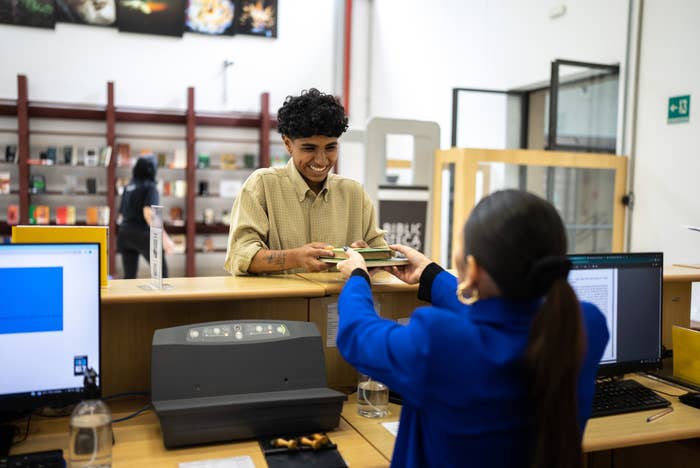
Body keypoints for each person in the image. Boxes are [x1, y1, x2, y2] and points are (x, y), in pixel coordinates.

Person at [335, 189, 610, 468]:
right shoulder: (584, 325)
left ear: (474, 269)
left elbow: (357, 334)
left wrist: (358, 275)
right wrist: (431, 275)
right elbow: (500, 320)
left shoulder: (440, 341)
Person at [224, 88, 387, 275]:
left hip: (340, 303)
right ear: (287, 144)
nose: (321, 160)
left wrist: (367, 255)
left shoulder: (354, 193)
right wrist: (295, 258)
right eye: (309, 148)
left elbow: (382, 255)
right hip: (278, 304)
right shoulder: (262, 185)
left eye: (330, 148)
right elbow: (239, 255)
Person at [117, 157, 173, 279]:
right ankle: (163, 298)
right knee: (161, 274)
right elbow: (149, 214)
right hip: (142, 234)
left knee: (129, 276)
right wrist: (165, 238)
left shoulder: (128, 187)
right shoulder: (150, 187)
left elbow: (121, 214)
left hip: (124, 233)